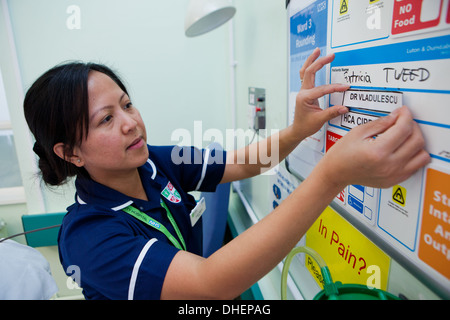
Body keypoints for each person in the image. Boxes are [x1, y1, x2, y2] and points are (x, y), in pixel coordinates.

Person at [23, 48, 430, 300]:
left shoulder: (152, 162)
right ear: (71, 152)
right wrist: (331, 176)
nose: (131, 123)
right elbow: (209, 284)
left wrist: (297, 131)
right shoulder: (89, 236)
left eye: (127, 105)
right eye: (106, 119)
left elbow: (248, 162)